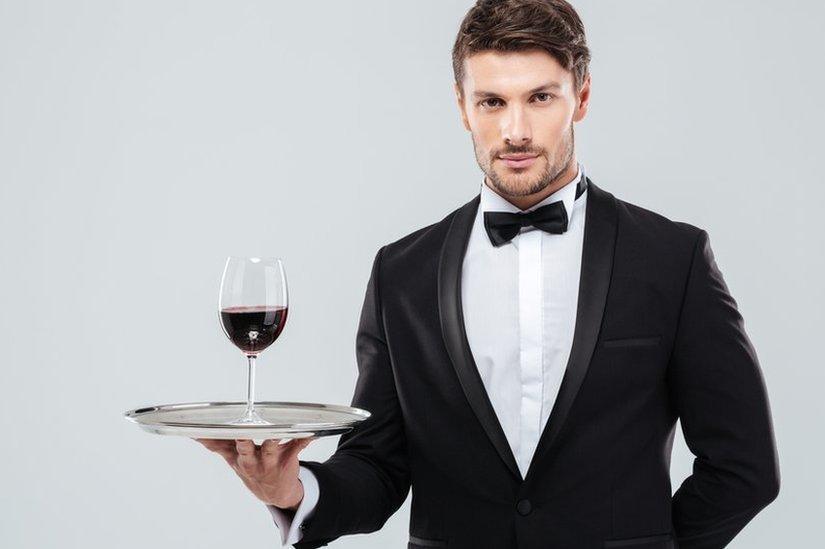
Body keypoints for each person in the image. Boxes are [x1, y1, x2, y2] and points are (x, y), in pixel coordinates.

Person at [196, 1, 780, 547]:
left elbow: (744, 466)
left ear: (581, 98)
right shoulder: (402, 272)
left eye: (541, 98)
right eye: (492, 102)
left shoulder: (671, 258)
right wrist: (290, 492)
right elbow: (375, 466)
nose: (516, 131)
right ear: (462, 108)